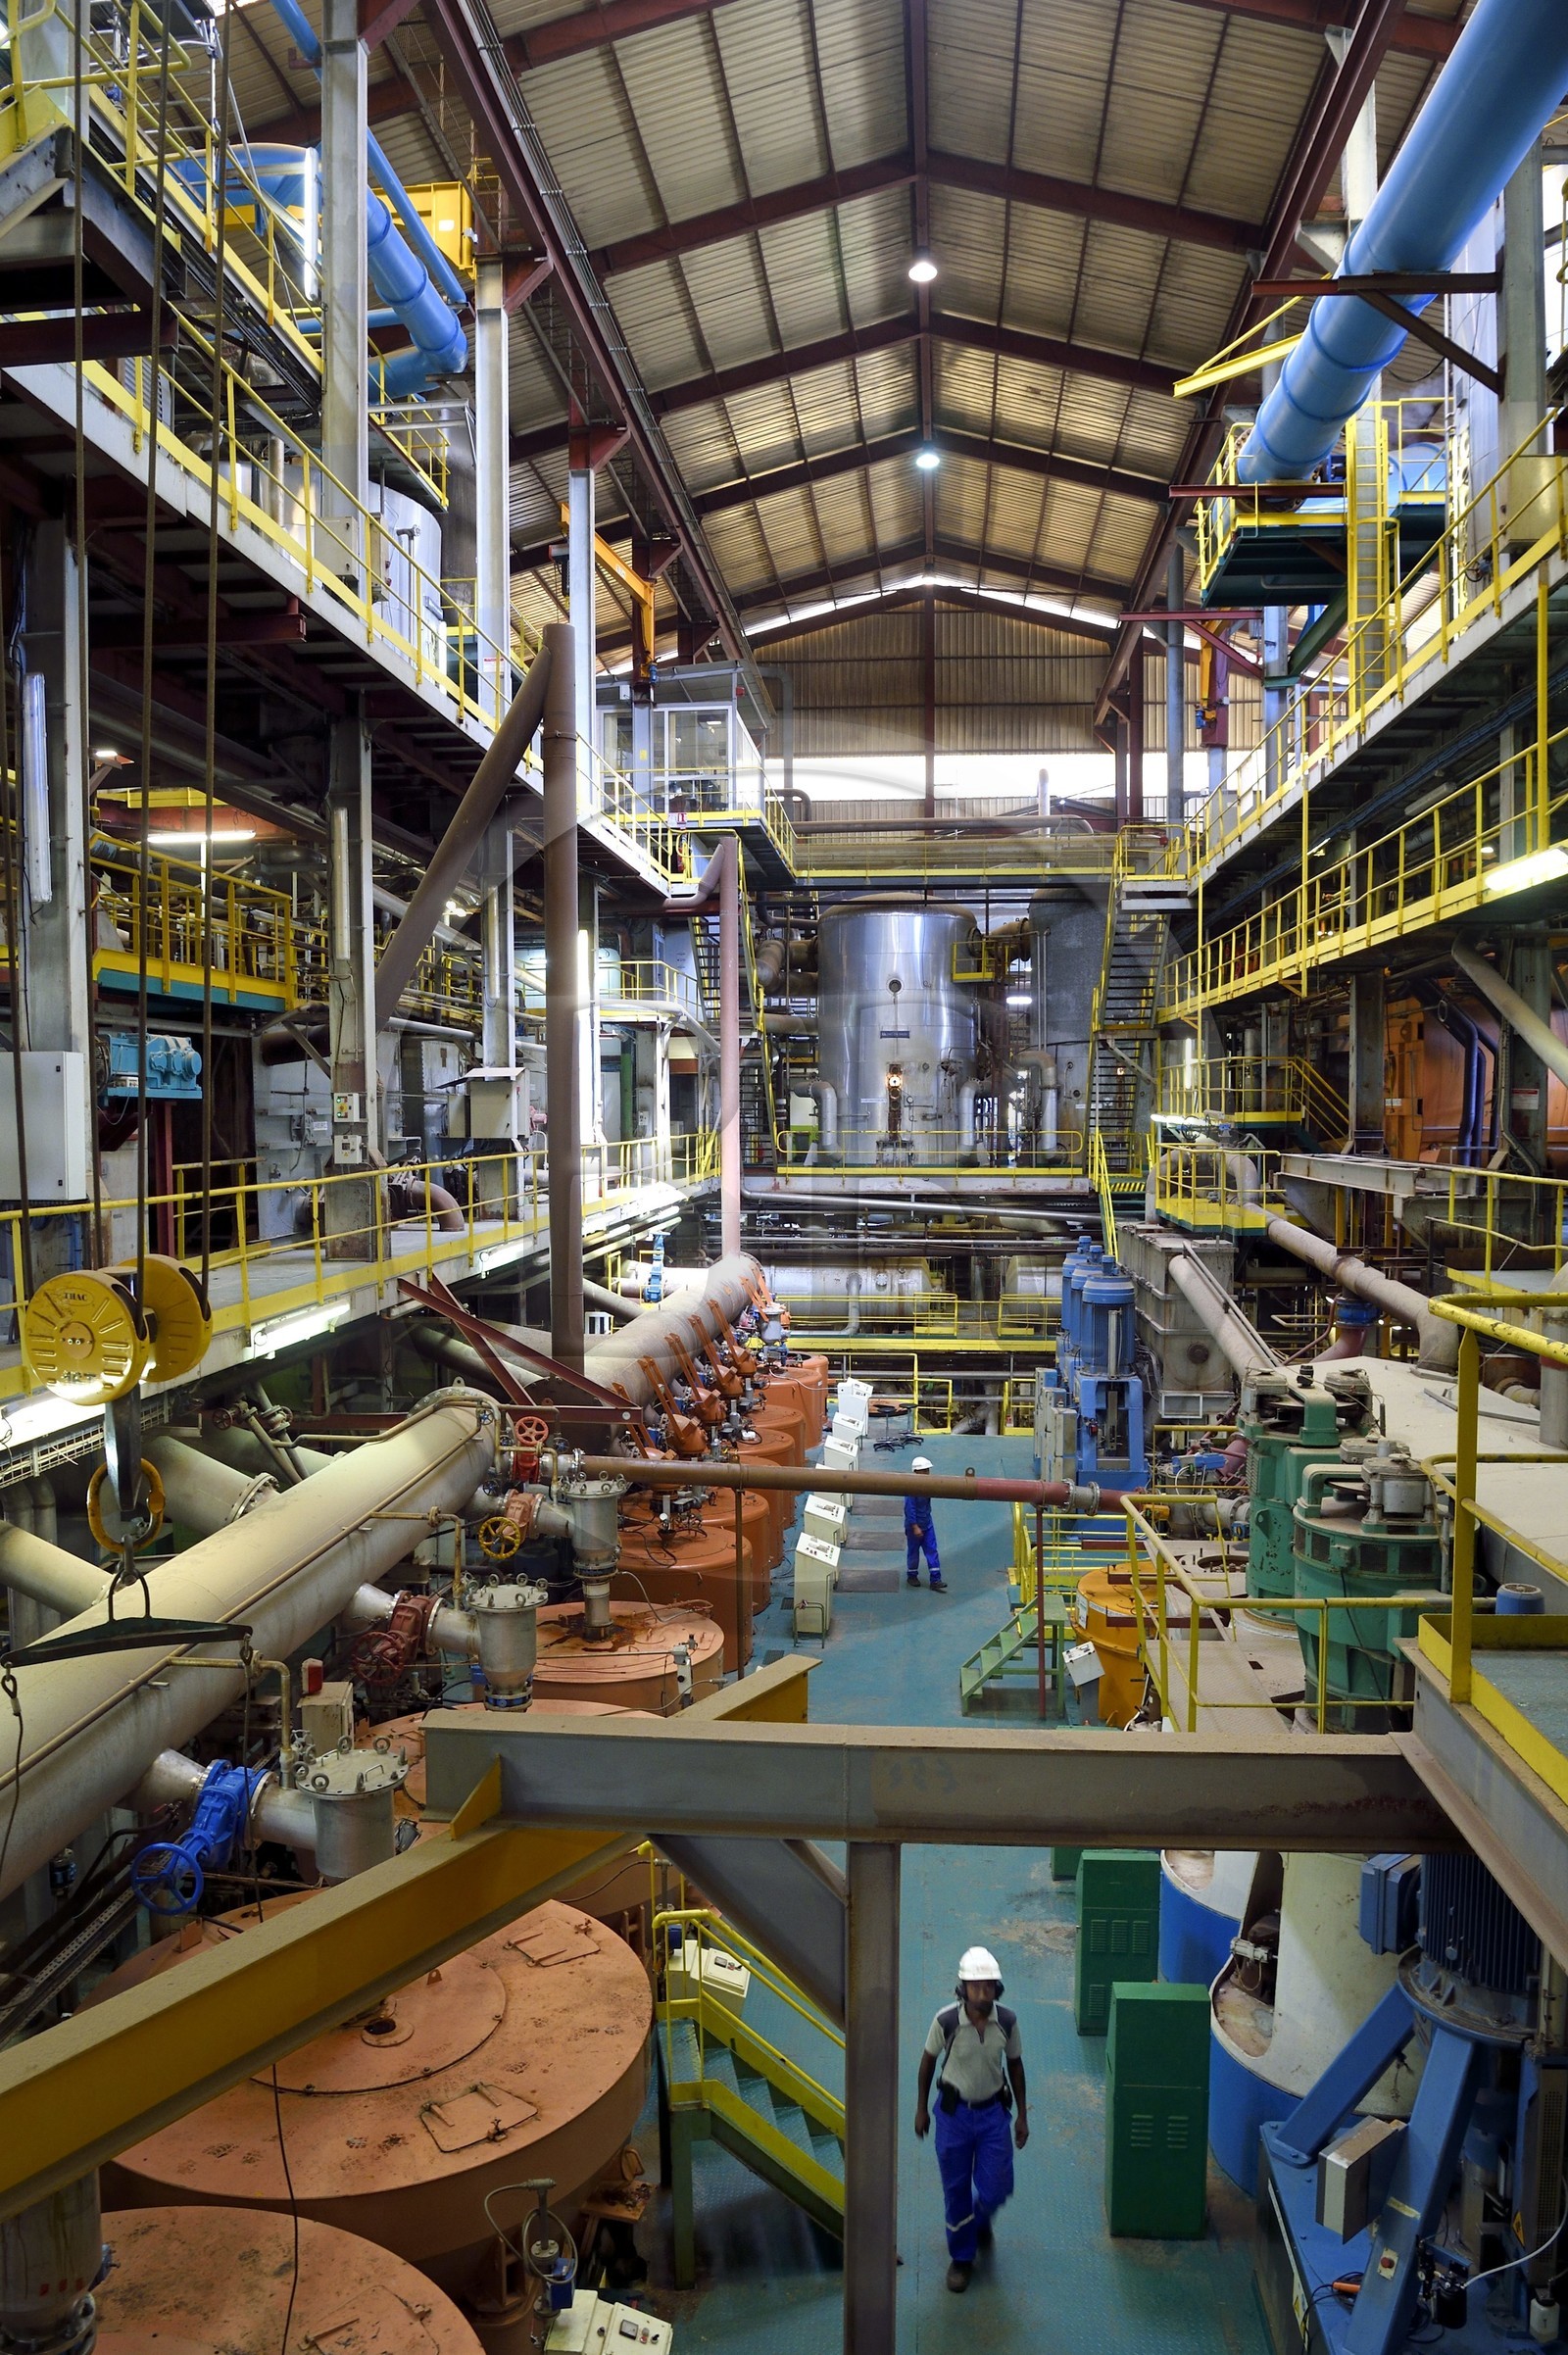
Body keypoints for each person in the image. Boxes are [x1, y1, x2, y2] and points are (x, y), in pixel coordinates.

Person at [914, 1947, 1028, 2291]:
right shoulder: (946, 2021)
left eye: (989, 1986)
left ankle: (977, 2222)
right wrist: (921, 2108)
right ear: (962, 1989)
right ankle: (962, 2259)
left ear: (997, 1988)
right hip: (954, 2116)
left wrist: (1022, 2115)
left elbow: (1016, 2066)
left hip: (993, 2114)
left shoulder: (1007, 2021)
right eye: (975, 1986)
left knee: (997, 2186)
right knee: (956, 2188)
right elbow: (927, 2062)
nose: (982, 1993)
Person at [905, 1458, 945, 1590]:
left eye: (928, 1471)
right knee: (914, 1551)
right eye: (925, 1471)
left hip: (927, 1523)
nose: (927, 1473)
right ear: (917, 1472)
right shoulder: (911, 1488)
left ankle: (935, 1580)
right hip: (914, 1527)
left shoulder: (927, 1486)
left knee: (932, 1550)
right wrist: (915, 1526)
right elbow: (909, 1509)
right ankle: (912, 1576)